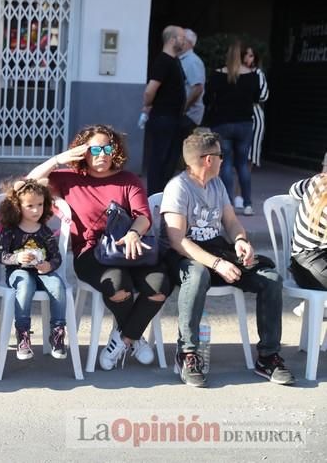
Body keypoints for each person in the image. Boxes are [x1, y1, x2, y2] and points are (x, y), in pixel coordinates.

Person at [28, 124, 171, 371]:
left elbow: (143, 215)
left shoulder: (128, 179)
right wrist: (59, 159)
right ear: (83, 151)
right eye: (94, 149)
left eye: (107, 148)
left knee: (160, 286)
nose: (102, 154)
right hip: (91, 253)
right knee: (116, 286)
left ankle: (124, 338)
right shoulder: (68, 179)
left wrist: (134, 234)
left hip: (130, 248)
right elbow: (26, 184)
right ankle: (135, 335)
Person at [161, 129, 294, 388]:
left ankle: (268, 357)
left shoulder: (217, 184)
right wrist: (217, 264)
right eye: (221, 156)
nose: (224, 160)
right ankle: (187, 353)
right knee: (197, 274)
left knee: (271, 278)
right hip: (185, 256)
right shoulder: (177, 188)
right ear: (208, 159)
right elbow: (178, 241)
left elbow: (231, 221)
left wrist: (241, 241)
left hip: (217, 250)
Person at [0, 178, 68, 360]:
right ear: (17, 206)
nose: (36, 210)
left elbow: (56, 256)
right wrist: (16, 257)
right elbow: (0, 254)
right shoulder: (10, 230)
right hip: (17, 272)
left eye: (40, 204)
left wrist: (49, 265)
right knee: (25, 284)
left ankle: (57, 332)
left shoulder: (45, 231)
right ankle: (23, 334)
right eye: (30, 206)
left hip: (42, 272)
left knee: (58, 285)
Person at [204, 39, 260, 216]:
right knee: (243, 164)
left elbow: (207, 100)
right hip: (244, 123)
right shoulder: (252, 75)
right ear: (244, 56)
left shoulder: (217, 74)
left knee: (226, 164)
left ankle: (228, 204)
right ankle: (248, 203)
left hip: (222, 123)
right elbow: (256, 98)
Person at [142, 25, 187, 196]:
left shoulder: (175, 61)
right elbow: (150, 90)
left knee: (170, 160)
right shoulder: (163, 61)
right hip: (163, 118)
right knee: (160, 160)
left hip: (174, 118)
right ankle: (154, 196)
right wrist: (147, 104)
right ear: (172, 39)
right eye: (181, 37)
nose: (184, 41)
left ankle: (163, 194)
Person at [234, 44, 269, 210]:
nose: (249, 59)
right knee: (234, 157)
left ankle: (241, 194)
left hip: (254, 116)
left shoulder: (258, 74)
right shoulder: (232, 72)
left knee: (248, 157)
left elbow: (263, 95)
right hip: (238, 116)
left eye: (251, 55)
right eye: (246, 55)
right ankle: (235, 194)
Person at [288, 169, 327, 290]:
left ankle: (313, 305)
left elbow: (294, 190)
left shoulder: (317, 180)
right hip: (309, 263)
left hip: (303, 261)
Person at [179, 28, 205, 138]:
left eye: (181, 38)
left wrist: (183, 109)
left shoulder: (192, 61)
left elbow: (198, 88)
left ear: (187, 42)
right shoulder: (183, 59)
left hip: (188, 115)